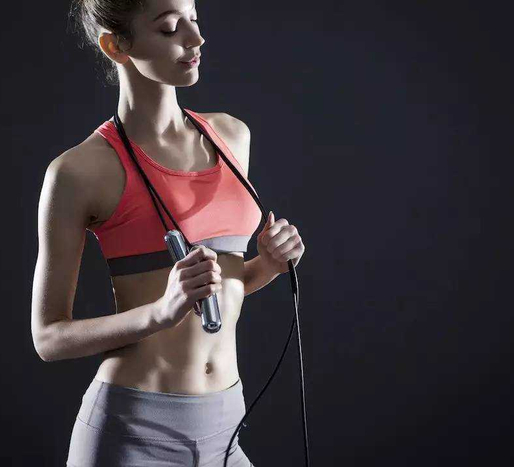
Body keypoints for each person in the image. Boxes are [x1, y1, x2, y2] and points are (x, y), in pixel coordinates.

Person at [31, 0, 305, 465]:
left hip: (225, 426)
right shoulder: (79, 172)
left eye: (194, 20)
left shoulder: (232, 136)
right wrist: (160, 312)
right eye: (170, 28)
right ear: (115, 46)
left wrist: (269, 266)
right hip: (133, 434)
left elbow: (219, 289)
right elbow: (49, 338)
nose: (196, 39)